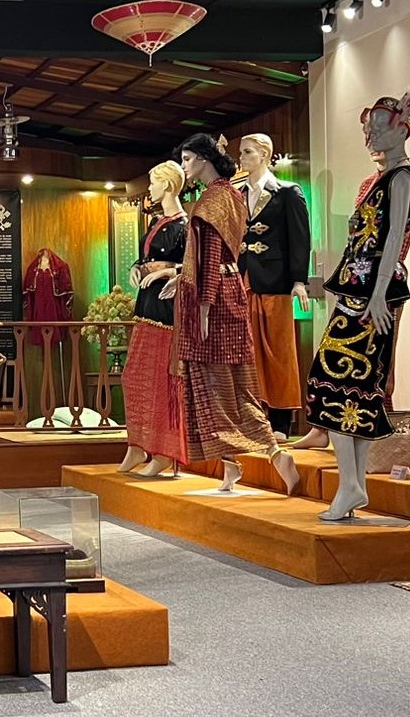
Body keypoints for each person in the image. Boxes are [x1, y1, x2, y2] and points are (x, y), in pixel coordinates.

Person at [304, 91, 410, 521]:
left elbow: (394, 236)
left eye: (379, 126)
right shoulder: (384, 178)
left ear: (403, 129)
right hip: (360, 291)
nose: (371, 134)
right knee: (352, 386)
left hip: (372, 294)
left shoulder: (402, 178)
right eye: (369, 127)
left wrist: (377, 295)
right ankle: (352, 484)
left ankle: (351, 484)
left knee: (332, 378)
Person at [173, 133, 298, 494]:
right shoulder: (231, 194)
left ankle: (274, 452)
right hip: (230, 290)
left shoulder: (212, 200)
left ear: (203, 159)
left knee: (217, 384)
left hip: (214, 298)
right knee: (229, 381)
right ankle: (231, 466)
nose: (184, 166)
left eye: (187, 159)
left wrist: (204, 306)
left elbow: (211, 255)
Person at [236, 133, 311, 440]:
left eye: (247, 152)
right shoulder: (238, 194)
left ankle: (281, 421)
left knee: (278, 350)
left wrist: (298, 280)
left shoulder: (287, 192)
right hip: (244, 278)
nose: (242, 157)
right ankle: (252, 416)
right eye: (241, 152)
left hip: (275, 280)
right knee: (248, 350)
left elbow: (300, 237)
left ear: (264, 154)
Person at [119, 160, 189, 476]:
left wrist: (166, 271)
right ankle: (137, 445)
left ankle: (164, 452)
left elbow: (192, 266)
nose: (150, 188)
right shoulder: (156, 222)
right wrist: (137, 267)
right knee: (134, 376)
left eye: (154, 182)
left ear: (168, 185)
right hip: (146, 305)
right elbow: (145, 257)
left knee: (163, 381)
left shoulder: (185, 225)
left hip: (167, 307)